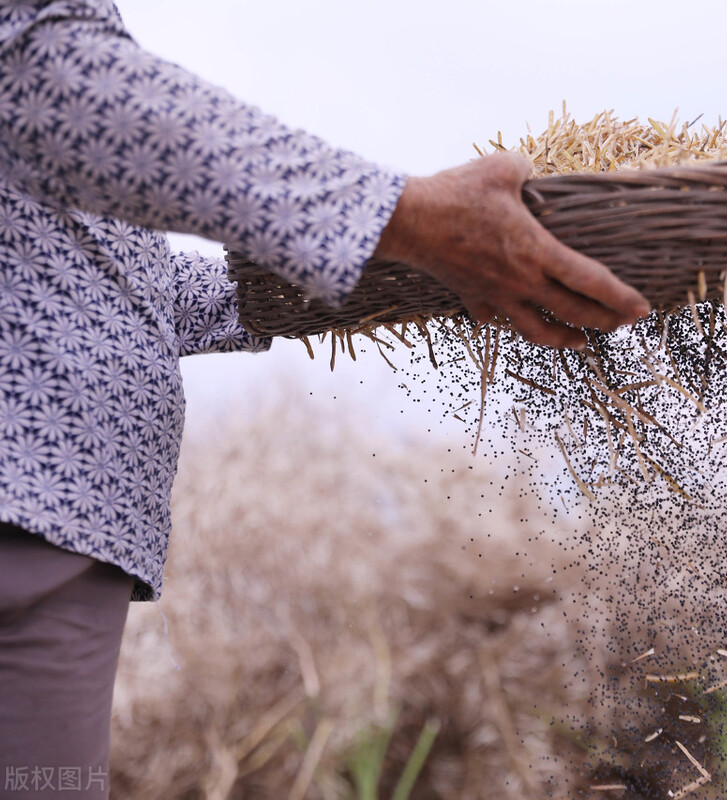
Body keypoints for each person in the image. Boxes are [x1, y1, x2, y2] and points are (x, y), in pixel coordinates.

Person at [0, 2, 650, 797]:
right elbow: (52, 76)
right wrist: (405, 218)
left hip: (54, 523)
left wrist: (388, 274)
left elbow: (108, 288)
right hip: (25, 514)